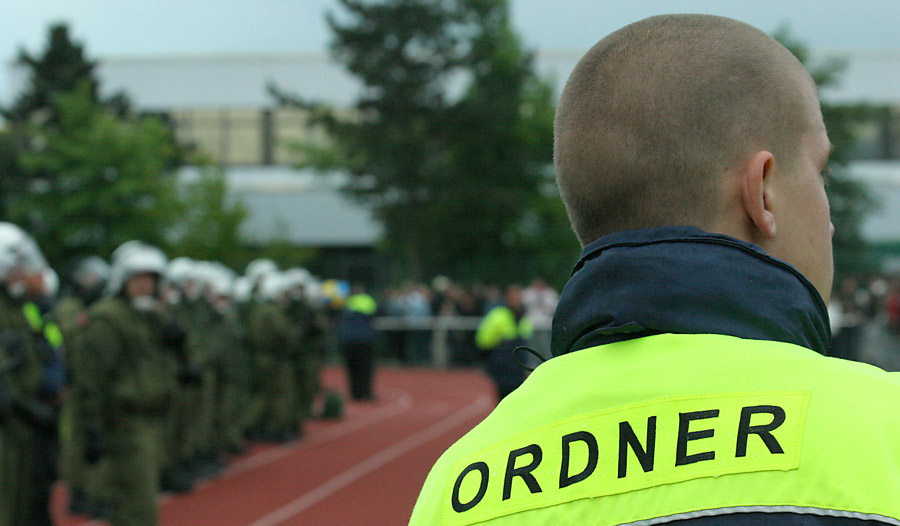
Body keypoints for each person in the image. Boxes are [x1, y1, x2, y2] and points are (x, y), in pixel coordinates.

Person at [410, 14, 900, 525]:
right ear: (763, 192)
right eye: (820, 173)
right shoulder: (885, 434)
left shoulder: (457, 484)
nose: (830, 220)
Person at [75, 241, 179, 526]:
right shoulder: (108, 317)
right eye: (139, 278)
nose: (145, 285)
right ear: (123, 279)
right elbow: (93, 377)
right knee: (141, 507)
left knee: (132, 502)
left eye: (151, 279)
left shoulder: (149, 316)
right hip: (124, 423)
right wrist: (92, 428)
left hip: (150, 418)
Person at [475, 285, 533, 401]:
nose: (518, 299)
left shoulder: (523, 317)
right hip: (503, 367)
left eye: (519, 296)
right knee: (505, 399)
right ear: (507, 298)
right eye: (514, 296)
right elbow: (484, 341)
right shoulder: (498, 315)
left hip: (518, 367)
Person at [338, 284, 377, 401]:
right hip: (365, 339)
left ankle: (355, 393)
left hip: (349, 340)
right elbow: (374, 314)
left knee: (352, 369)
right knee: (366, 369)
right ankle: (366, 392)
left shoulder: (347, 302)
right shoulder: (368, 300)